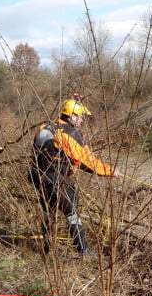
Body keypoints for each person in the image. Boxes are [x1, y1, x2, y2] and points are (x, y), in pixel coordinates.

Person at [30, 94, 119, 257]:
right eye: (80, 117)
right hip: (57, 180)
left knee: (48, 212)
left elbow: (41, 154)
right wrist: (110, 171)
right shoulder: (69, 133)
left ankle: (48, 250)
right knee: (72, 215)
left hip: (38, 178)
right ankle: (83, 252)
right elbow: (86, 160)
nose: (82, 120)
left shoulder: (44, 128)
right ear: (72, 116)